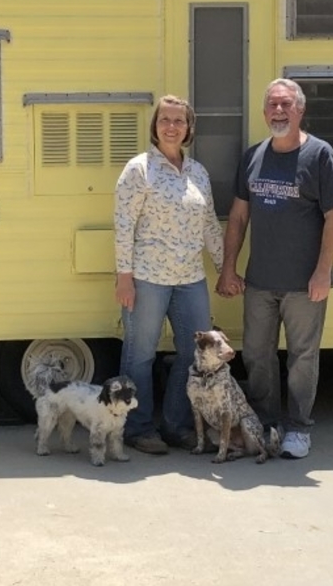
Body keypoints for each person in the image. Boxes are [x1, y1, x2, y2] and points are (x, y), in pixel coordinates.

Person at [215, 79, 333, 460]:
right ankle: (266, 424)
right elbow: (239, 217)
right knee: (257, 355)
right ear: (264, 112)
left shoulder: (320, 155)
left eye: (286, 104)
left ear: (300, 110)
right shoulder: (254, 156)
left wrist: (323, 272)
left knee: (302, 359)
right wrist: (229, 268)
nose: (278, 111)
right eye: (273, 105)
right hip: (260, 281)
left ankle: (298, 429)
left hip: (305, 285)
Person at [114, 95, 224, 454]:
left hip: (191, 278)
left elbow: (209, 224)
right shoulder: (139, 170)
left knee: (191, 355)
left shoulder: (198, 173)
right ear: (155, 126)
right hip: (147, 277)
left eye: (179, 121)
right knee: (140, 355)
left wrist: (225, 270)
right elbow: (124, 225)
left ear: (189, 128)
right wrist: (124, 276)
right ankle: (138, 428)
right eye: (165, 120)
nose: (172, 127)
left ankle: (176, 426)